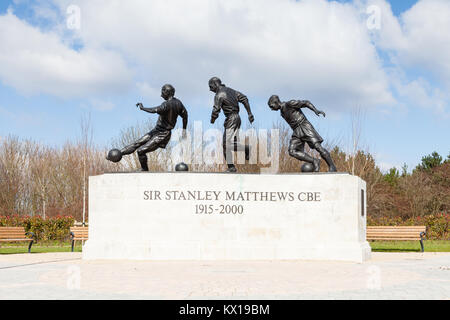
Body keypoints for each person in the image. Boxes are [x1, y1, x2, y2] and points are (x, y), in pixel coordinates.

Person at [107, 84, 188, 171]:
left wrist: (142, 108)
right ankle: (120, 153)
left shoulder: (166, 105)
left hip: (163, 135)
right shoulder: (179, 103)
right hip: (156, 130)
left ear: (167, 92)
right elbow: (185, 116)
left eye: (162, 92)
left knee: (141, 151)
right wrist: (184, 130)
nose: (161, 95)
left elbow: (154, 110)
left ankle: (144, 169)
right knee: (137, 143)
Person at [268, 95, 337, 172]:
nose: (271, 109)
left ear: (276, 102)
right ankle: (314, 161)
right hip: (296, 131)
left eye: (271, 106)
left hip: (304, 126)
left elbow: (306, 103)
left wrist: (315, 110)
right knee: (292, 151)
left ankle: (332, 166)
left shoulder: (290, 104)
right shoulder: (282, 113)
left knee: (318, 147)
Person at [209, 77, 254, 172]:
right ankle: (231, 166)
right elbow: (244, 98)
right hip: (236, 119)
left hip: (232, 119)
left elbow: (216, 110)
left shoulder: (219, 94)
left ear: (215, 84)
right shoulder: (232, 91)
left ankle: (235, 163)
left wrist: (212, 119)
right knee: (228, 144)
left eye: (211, 87)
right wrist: (249, 113)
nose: (210, 90)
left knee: (226, 143)